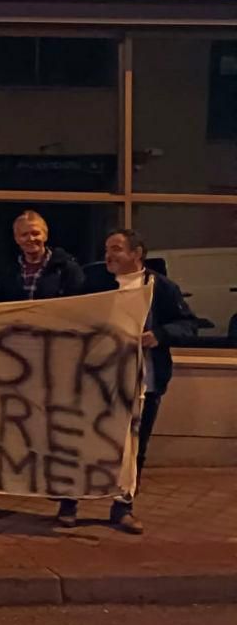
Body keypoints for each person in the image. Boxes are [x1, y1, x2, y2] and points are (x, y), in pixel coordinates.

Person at [59, 229, 196, 534]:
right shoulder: (94, 282)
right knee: (83, 442)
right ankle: (70, 502)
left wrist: (159, 335)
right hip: (97, 379)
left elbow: (188, 324)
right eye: (107, 249)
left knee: (135, 448)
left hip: (143, 382)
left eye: (117, 249)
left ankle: (123, 507)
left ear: (137, 254)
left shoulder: (160, 288)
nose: (109, 255)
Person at [0, 210, 85, 302]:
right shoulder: (8, 271)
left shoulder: (68, 268)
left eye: (35, 233)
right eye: (24, 235)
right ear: (16, 239)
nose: (31, 239)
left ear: (45, 235)